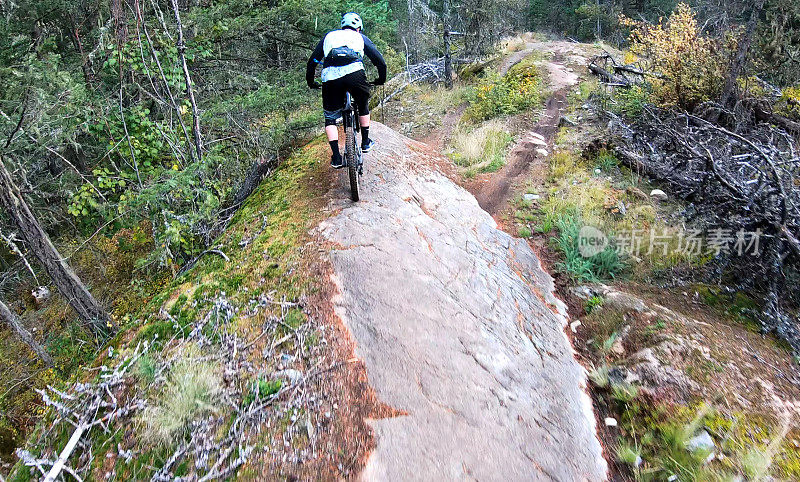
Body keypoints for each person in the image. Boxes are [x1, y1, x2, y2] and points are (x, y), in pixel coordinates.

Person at [306, 12, 387, 168]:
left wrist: (311, 82)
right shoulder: (360, 38)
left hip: (331, 78)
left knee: (330, 118)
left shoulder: (329, 37)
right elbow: (380, 61)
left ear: (343, 26)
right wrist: (380, 80)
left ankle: (336, 158)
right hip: (355, 75)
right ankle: (365, 142)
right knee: (363, 106)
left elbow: (312, 62)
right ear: (358, 28)